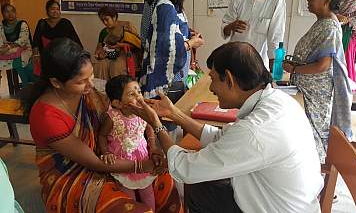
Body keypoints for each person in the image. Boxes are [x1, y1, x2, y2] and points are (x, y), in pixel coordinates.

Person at [128, 42, 324, 212]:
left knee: (199, 184)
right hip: (290, 201)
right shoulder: (279, 100)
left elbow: (184, 168)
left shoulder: (254, 131)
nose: (211, 88)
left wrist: (155, 123)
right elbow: (223, 139)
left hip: (276, 207)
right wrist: (174, 114)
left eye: (213, 79)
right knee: (204, 188)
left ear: (229, 79)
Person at [26, 38, 165, 212]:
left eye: (91, 75)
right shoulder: (46, 116)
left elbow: (126, 117)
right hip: (73, 175)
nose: (91, 84)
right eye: (81, 81)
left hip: (112, 157)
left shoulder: (89, 93)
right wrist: (141, 166)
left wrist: (152, 146)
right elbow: (94, 163)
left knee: (165, 180)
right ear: (56, 82)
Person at [283, 0, 352, 162]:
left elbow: (323, 64)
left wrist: (294, 69)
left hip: (314, 94)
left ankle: (311, 177)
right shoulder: (323, 22)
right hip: (305, 90)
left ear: (327, 0)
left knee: (309, 139)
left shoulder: (329, 26)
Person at [98, 75, 161, 211]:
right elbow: (102, 136)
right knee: (128, 198)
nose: (139, 97)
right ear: (118, 103)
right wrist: (106, 152)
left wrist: (153, 146)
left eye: (139, 91)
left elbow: (149, 127)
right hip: (123, 164)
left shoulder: (144, 112)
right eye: (132, 94)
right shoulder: (112, 117)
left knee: (148, 193)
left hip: (143, 159)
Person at [140, 0, 204, 101]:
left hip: (151, 73)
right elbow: (168, 50)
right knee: (168, 117)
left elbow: (153, 34)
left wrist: (183, 32)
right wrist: (191, 43)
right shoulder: (166, 6)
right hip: (169, 82)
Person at [221, 0, 286, 70]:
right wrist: (231, 26)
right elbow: (225, 28)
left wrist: (274, 71)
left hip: (258, 64)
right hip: (234, 59)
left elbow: (276, 37)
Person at [32, 0, 82, 76]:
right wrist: (35, 55)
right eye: (52, 9)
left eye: (57, 9)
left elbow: (74, 39)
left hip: (63, 56)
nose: (55, 11)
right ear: (47, 11)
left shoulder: (65, 22)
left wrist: (81, 55)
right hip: (46, 56)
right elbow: (36, 40)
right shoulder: (42, 23)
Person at [93, 6, 141, 80]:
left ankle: (120, 90)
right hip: (110, 55)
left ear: (114, 17)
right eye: (102, 20)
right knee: (100, 66)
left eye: (107, 19)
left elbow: (137, 45)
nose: (105, 23)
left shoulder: (126, 26)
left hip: (127, 54)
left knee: (116, 66)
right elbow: (98, 49)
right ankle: (102, 90)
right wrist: (99, 55)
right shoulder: (104, 32)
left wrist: (120, 45)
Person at [0, 3, 33, 91]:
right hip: (8, 51)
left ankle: (27, 85)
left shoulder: (22, 24)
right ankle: (12, 89)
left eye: (12, 11)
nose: (10, 14)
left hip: (24, 49)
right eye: (7, 12)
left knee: (19, 60)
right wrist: (5, 47)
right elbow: (1, 41)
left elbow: (22, 40)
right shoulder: (1, 26)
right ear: (3, 14)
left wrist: (8, 47)